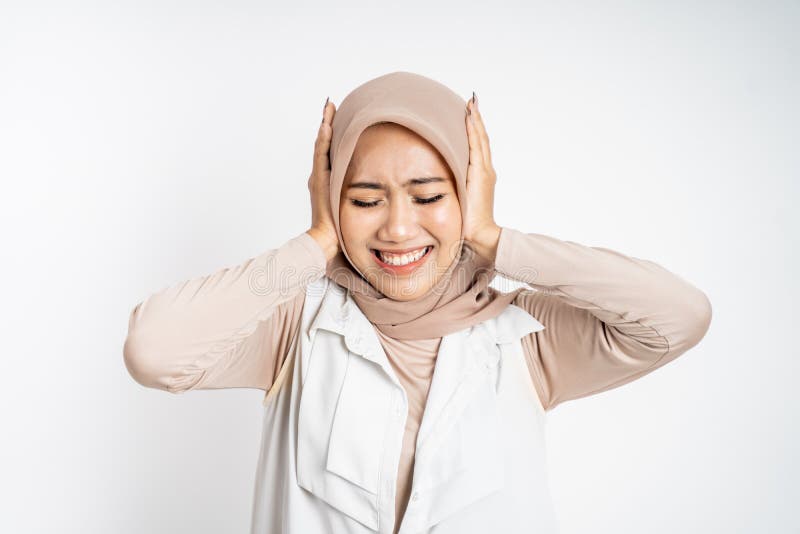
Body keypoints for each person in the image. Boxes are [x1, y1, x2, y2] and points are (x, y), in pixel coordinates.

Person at [123, 71, 712, 534]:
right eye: (364, 200)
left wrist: (495, 240)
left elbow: (678, 317)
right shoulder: (291, 330)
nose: (399, 229)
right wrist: (315, 245)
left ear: (468, 191)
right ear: (331, 201)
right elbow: (155, 352)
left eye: (429, 195)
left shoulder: (527, 337)